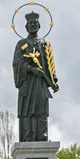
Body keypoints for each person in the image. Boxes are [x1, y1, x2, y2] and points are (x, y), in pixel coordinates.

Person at [13, 11, 59, 142]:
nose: (32, 25)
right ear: (26, 27)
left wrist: (54, 80)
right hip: (27, 82)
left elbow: (50, 63)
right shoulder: (21, 44)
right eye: (30, 23)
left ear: (39, 26)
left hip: (41, 82)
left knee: (41, 108)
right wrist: (31, 69)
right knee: (27, 110)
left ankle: (42, 135)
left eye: (35, 23)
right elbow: (17, 63)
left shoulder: (45, 43)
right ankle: (28, 137)